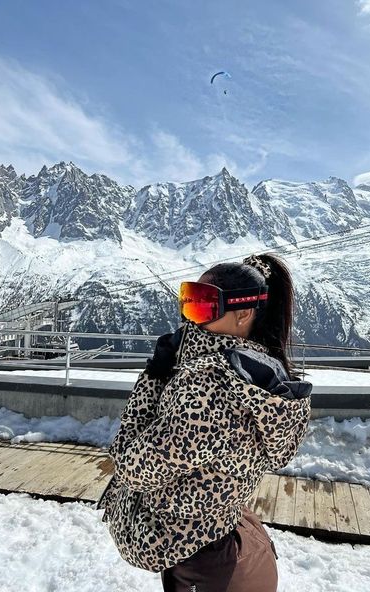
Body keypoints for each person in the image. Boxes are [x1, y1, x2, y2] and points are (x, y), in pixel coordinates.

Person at [98, 253, 312, 592]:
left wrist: (153, 378)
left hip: (195, 555)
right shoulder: (257, 375)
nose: (190, 317)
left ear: (243, 313)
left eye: (204, 305)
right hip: (224, 537)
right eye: (189, 301)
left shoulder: (210, 385)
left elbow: (131, 467)